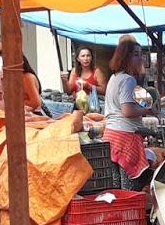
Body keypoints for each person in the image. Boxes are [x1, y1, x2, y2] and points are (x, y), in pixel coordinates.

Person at [104, 37, 156, 183]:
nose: (140, 59)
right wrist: (149, 111)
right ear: (126, 57)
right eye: (136, 55)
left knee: (116, 186)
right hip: (126, 136)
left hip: (111, 135)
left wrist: (148, 102)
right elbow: (127, 111)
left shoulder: (115, 78)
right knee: (129, 187)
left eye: (141, 55)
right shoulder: (128, 80)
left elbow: (142, 99)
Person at [62, 47, 107, 111]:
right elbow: (69, 92)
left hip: (92, 106)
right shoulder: (74, 71)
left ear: (91, 58)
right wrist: (65, 81)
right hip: (77, 106)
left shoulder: (97, 72)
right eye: (83, 56)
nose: (86, 59)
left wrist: (89, 86)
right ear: (78, 58)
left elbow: (104, 90)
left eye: (88, 56)